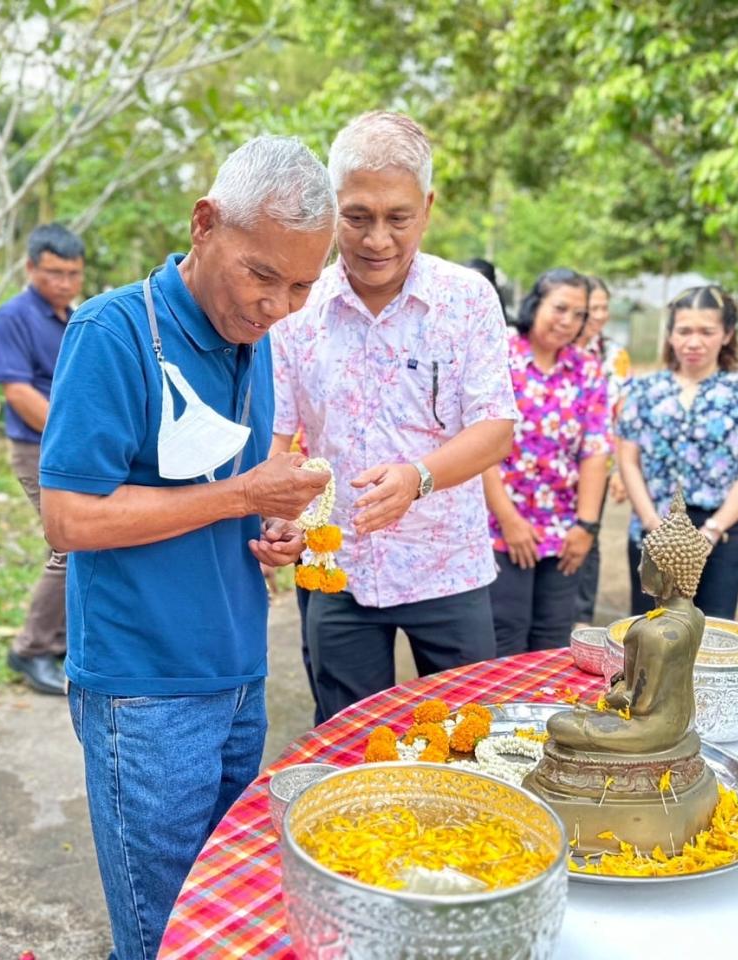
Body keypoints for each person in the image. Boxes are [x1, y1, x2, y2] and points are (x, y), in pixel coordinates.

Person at [39, 135, 335, 960]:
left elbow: (219, 491)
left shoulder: (254, 335)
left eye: (303, 285)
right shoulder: (114, 331)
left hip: (239, 671)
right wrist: (243, 494)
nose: (278, 305)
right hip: (145, 690)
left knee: (224, 915)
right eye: (262, 275)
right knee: (162, 930)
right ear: (205, 224)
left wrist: (266, 525)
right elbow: (69, 518)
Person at [272, 112, 517, 720]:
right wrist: (282, 516)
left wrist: (418, 477)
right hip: (338, 569)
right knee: (348, 742)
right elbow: (278, 441)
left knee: (468, 740)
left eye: (397, 218)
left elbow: (495, 429)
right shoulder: (297, 310)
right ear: (332, 209)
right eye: (357, 217)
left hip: (448, 569)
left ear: (427, 208)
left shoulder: (467, 300)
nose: (376, 239)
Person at [617, 285, 738, 619]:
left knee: (709, 635)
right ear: (670, 334)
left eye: (707, 331)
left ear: (727, 334)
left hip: (721, 530)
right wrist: (651, 523)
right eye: (684, 330)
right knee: (649, 635)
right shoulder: (643, 391)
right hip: (655, 525)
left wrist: (712, 532)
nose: (694, 342)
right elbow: (628, 461)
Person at [483, 268, 610, 654]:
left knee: (554, 642)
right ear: (535, 303)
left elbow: (594, 451)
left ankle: (544, 715)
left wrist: (586, 526)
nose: (568, 321)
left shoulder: (586, 368)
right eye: (560, 308)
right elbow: (479, 440)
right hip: (499, 526)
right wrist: (508, 519)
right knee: (505, 636)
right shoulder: (498, 353)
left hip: (562, 530)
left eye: (579, 314)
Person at [0, 223, 85, 695]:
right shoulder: (14, 316)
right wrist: (73, 435)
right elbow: (17, 390)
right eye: (53, 273)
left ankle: (67, 642)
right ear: (30, 268)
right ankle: (31, 650)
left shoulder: (74, 316)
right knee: (67, 546)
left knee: (90, 542)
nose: (63, 283)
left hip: (75, 449)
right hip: (37, 448)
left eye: (72, 273)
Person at [573, 275, 632, 624]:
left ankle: (581, 615)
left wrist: (622, 470)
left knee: (590, 533)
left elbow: (622, 414)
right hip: (551, 463)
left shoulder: (614, 355)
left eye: (603, 308)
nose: (598, 315)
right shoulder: (554, 348)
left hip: (598, 461)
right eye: (592, 308)